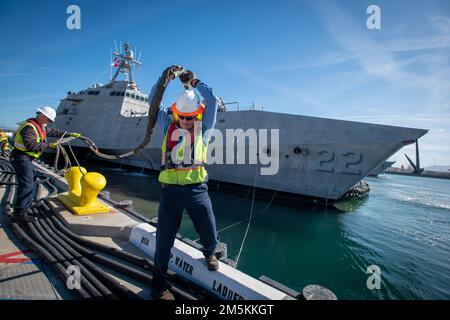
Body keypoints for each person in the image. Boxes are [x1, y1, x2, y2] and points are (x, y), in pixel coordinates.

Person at [151, 67, 220, 300]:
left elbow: (212, 100)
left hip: (197, 189)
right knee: (163, 242)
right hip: (170, 193)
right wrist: (165, 79)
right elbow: (153, 101)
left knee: (208, 229)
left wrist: (194, 81)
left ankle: (210, 252)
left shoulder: (205, 128)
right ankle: (160, 285)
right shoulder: (165, 125)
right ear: (176, 113)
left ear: (198, 114)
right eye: (183, 116)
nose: (187, 121)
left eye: (191, 117)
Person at [11, 106, 81, 221]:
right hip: (21, 158)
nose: (49, 122)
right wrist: (49, 146)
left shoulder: (40, 127)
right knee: (27, 184)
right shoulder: (29, 128)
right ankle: (19, 212)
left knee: (32, 181)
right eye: (48, 120)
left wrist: (69, 134)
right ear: (41, 116)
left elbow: (54, 132)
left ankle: (26, 205)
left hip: (26, 159)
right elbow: (31, 145)